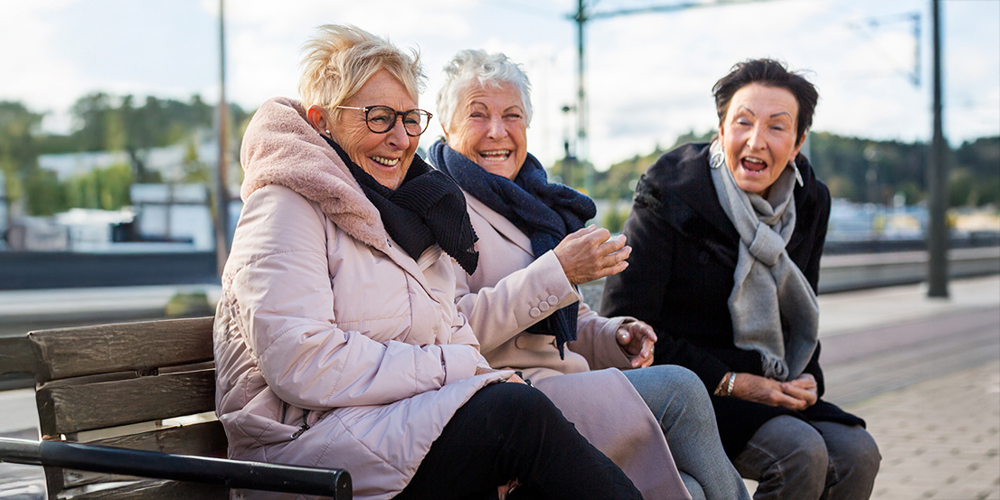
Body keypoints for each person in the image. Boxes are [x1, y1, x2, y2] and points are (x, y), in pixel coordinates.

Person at [213, 25, 645, 500]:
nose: (400, 138)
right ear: (322, 121)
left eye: (410, 119)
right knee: (518, 417)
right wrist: (451, 369)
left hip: (389, 426)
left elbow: (451, 332)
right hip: (301, 450)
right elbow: (302, 360)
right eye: (378, 118)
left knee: (527, 429)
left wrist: (477, 374)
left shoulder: (411, 212)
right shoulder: (285, 204)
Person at [429, 49, 748, 500]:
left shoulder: (531, 203)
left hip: (562, 383)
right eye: (477, 115)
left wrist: (614, 336)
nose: (497, 131)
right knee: (680, 388)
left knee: (691, 489)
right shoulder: (439, 206)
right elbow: (451, 329)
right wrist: (556, 269)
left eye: (512, 115)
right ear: (447, 127)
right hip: (508, 396)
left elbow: (567, 321)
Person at [601, 59, 881, 499]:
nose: (756, 141)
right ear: (721, 130)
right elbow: (623, 324)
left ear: (798, 142)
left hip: (772, 383)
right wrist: (731, 381)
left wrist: (809, 379)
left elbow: (799, 310)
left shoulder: (809, 200)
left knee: (857, 452)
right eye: (743, 122)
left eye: (777, 127)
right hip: (694, 384)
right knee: (800, 453)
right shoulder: (671, 191)